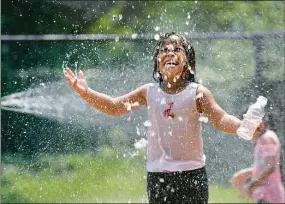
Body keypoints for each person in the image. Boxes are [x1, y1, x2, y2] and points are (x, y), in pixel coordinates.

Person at [64, 32, 244, 203]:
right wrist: (86, 93)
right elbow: (114, 107)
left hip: (192, 175)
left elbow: (220, 118)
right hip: (158, 176)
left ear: (188, 62)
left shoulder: (197, 93)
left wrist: (241, 126)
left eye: (177, 49)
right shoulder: (149, 92)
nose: (170, 52)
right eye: (164, 50)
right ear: (157, 63)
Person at [230, 113, 285, 204]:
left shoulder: (266, 139)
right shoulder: (263, 139)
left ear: (260, 124)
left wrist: (251, 185)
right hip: (267, 196)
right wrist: (248, 172)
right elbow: (265, 166)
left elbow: (270, 167)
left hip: (270, 196)